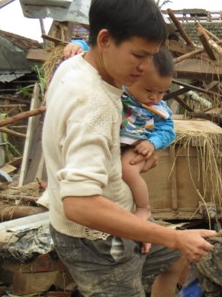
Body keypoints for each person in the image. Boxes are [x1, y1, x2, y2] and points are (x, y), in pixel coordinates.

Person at [42, 0, 216, 297]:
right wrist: (166, 231)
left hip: (119, 227)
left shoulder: (75, 65)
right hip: (98, 244)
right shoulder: (93, 102)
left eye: (152, 57)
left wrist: (140, 156)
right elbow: (79, 204)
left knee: (178, 259)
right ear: (104, 40)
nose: (144, 69)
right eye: (137, 56)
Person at [63, 42, 176, 254]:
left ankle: (143, 208)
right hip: (115, 143)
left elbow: (168, 130)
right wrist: (77, 45)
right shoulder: (116, 87)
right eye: (149, 90)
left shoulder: (159, 107)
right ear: (133, 76)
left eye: (162, 92)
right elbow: (100, 53)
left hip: (136, 144)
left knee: (127, 170)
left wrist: (152, 143)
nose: (155, 97)